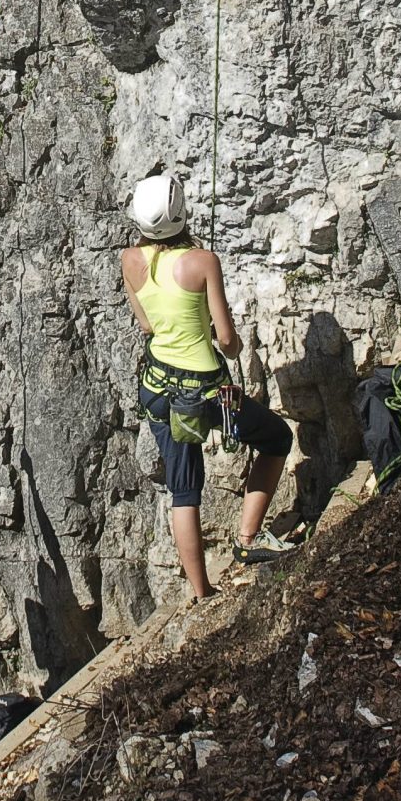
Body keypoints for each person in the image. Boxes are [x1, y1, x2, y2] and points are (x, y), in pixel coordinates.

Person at [120, 173, 297, 601]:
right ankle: (249, 539)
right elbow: (228, 343)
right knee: (276, 438)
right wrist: (222, 337)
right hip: (204, 392)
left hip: (157, 387)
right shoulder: (202, 261)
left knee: (184, 490)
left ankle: (202, 593)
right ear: (182, 214)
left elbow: (145, 324)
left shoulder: (129, 259)